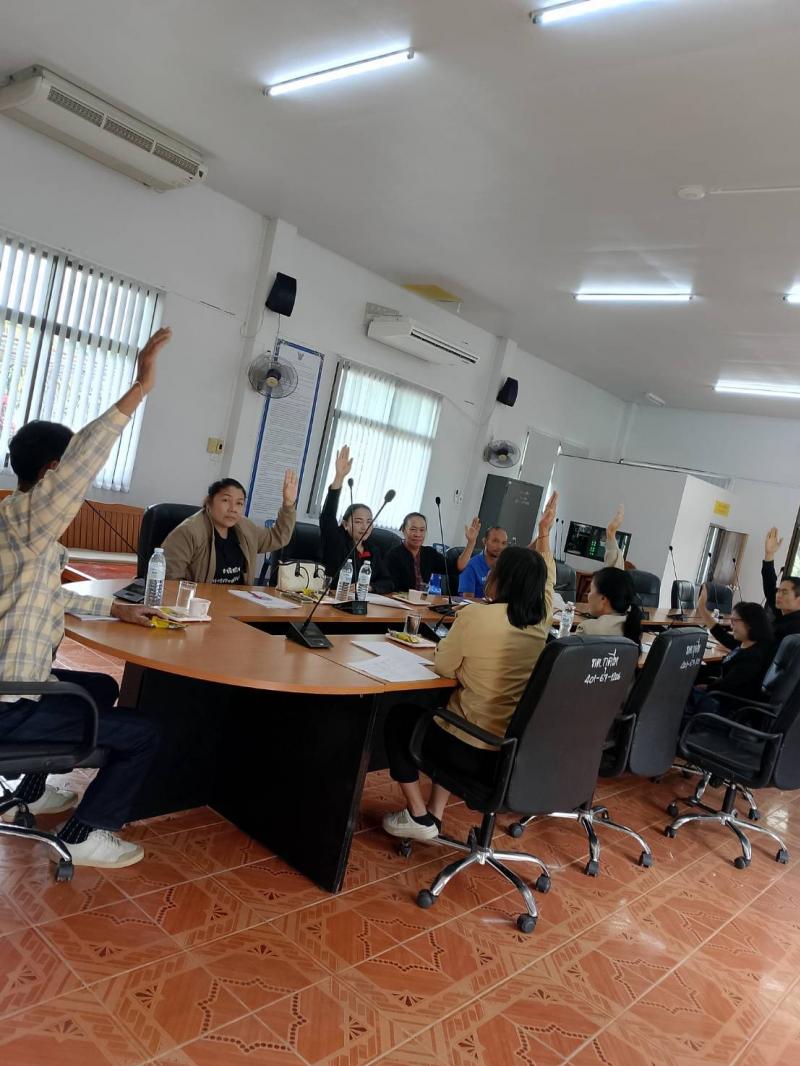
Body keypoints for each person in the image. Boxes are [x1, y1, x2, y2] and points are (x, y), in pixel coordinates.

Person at [0, 327, 173, 868]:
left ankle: (32, 790)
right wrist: (138, 389)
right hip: (9, 702)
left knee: (99, 685)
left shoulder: (16, 525)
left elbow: (50, 593)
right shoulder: (28, 521)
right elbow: (81, 464)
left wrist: (117, 608)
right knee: (145, 733)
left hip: (16, 685)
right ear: (51, 471)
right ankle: (86, 831)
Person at [382, 493, 558, 841]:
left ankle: (417, 815)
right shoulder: (542, 618)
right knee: (453, 708)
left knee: (400, 716)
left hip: (468, 750)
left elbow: (444, 667)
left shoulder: (477, 616)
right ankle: (434, 814)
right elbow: (548, 579)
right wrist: (544, 534)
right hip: (510, 751)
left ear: (502, 579)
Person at [162, 473, 297, 585]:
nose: (233, 509)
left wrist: (288, 504)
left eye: (239, 503)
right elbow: (169, 580)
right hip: (200, 603)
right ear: (209, 502)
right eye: (226, 500)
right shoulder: (188, 532)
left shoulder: (246, 528)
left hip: (237, 601)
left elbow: (278, 537)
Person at [685, 586, 774, 718]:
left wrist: (707, 687)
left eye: (734, 621)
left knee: (681, 689)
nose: (731, 626)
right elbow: (722, 635)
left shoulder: (754, 657)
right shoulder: (747, 643)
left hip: (724, 707)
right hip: (721, 695)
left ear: (750, 624)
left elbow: (727, 685)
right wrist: (702, 609)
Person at [319, 445, 393, 593]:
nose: (365, 527)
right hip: (331, 598)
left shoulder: (373, 550)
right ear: (345, 524)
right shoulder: (336, 539)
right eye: (358, 521)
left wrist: (370, 587)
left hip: (360, 602)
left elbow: (388, 582)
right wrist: (339, 477)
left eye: (369, 522)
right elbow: (328, 515)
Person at [576, 566, 643, 644]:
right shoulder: (634, 626)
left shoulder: (586, 629)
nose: (587, 594)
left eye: (590, 590)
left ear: (603, 599)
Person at [384, 513, 447, 593]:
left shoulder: (429, 553)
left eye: (422, 530)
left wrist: (466, 548)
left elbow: (453, 567)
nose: (417, 534)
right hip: (398, 598)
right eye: (413, 529)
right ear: (403, 530)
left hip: (421, 598)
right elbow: (388, 586)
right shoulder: (393, 555)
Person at [762, 527, 800, 646]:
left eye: (784, 592)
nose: (778, 595)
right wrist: (769, 554)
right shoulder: (784, 613)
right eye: (779, 591)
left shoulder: (794, 627)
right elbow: (770, 586)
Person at [457, 525, 508, 598]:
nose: (500, 547)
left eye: (503, 543)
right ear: (484, 541)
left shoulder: (506, 566)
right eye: (495, 541)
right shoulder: (470, 565)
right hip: (477, 605)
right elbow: (468, 600)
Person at [601, 504, 627, 571]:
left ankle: (620, 514)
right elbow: (610, 530)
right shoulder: (613, 552)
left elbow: (610, 530)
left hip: (615, 558)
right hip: (615, 561)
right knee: (610, 531)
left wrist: (619, 515)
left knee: (610, 531)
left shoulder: (613, 552)